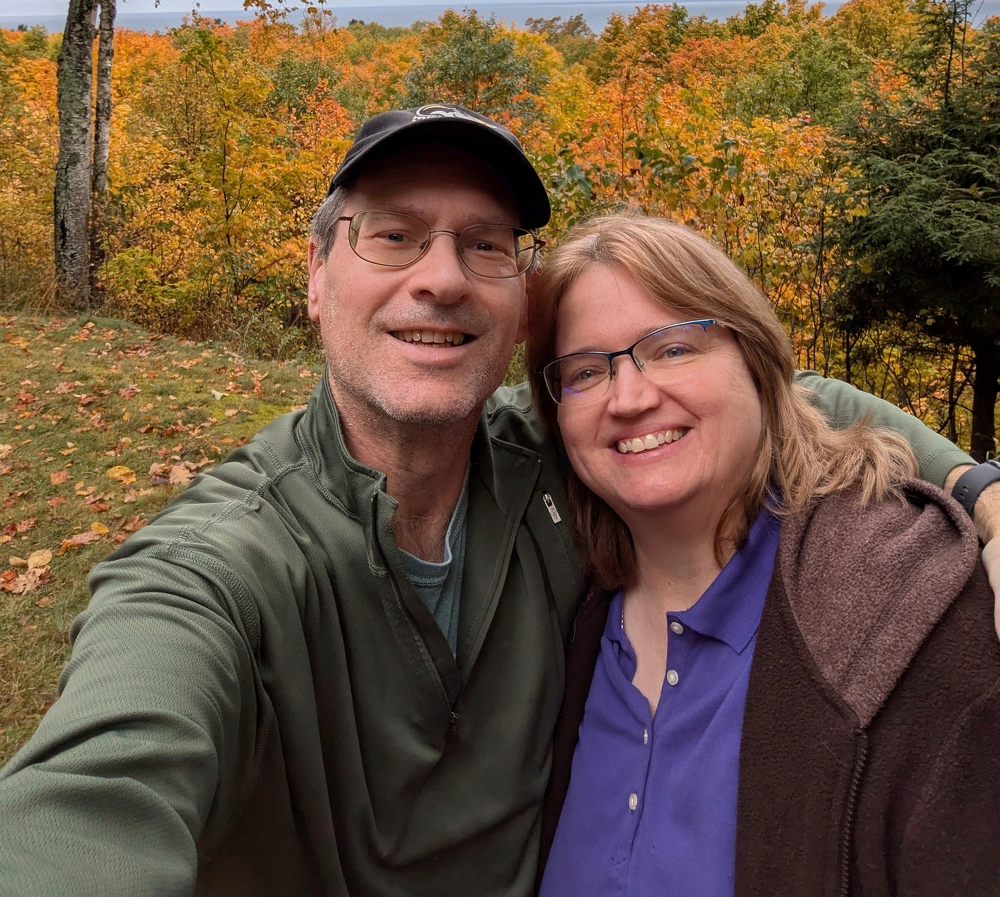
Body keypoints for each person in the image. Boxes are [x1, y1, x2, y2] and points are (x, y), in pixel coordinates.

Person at [0, 105, 996, 897]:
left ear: (517, 297)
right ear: (315, 273)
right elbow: (96, 792)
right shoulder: (218, 566)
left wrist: (981, 492)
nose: (441, 278)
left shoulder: (557, 456)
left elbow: (775, 395)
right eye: (394, 235)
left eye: (484, 244)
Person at [528, 214, 1000, 896]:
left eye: (673, 349)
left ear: (756, 361)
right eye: (586, 370)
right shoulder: (572, 615)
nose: (629, 397)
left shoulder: (912, 611)